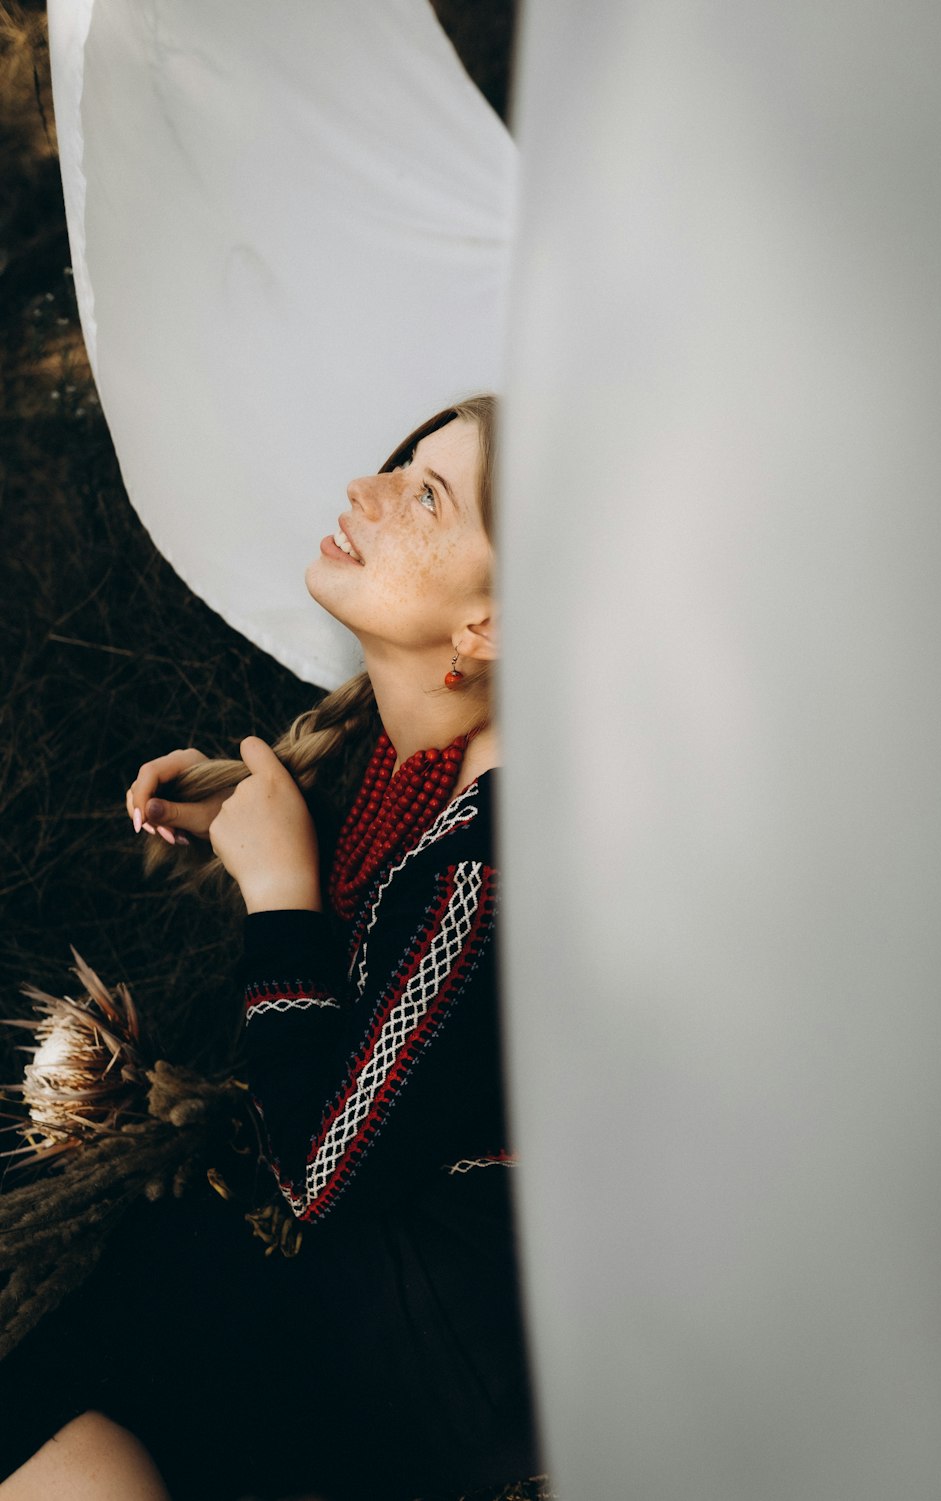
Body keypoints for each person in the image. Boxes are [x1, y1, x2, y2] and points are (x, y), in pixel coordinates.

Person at [0, 396, 539, 1501]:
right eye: (401, 462)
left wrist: (282, 887)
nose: (365, 489)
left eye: (426, 494)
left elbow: (323, 1170)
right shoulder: (423, 766)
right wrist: (263, 809)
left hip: (418, 1347)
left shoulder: (499, 859)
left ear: (485, 628)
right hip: (338, 1293)